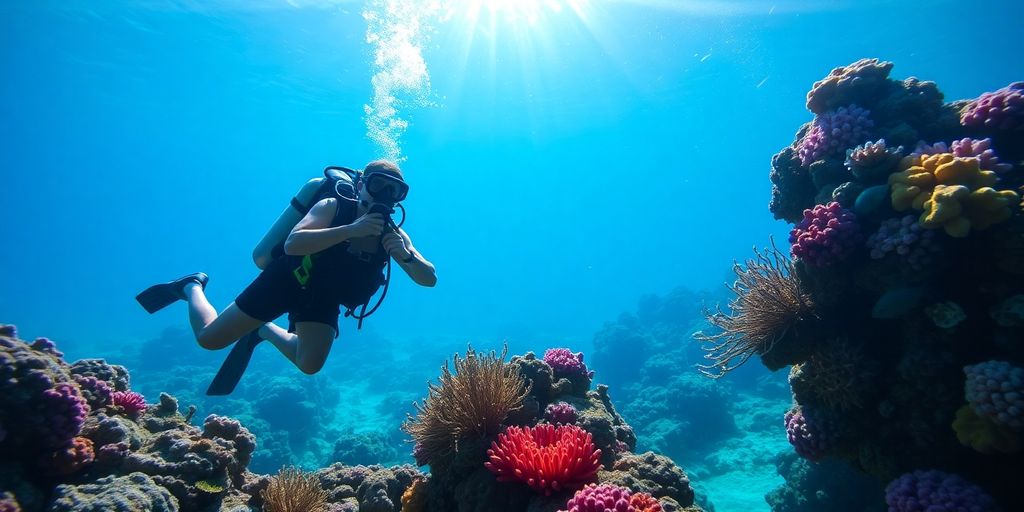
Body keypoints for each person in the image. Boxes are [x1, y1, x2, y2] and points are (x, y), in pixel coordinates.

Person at [136, 160, 436, 393]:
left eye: (393, 189)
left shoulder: (394, 235)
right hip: (285, 282)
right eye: (377, 184)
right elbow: (293, 243)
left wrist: (406, 257)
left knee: (309, 365)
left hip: (323, 298)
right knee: (209, 339)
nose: (384, 194)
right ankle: (191, 285)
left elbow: (429, 278)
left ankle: (262, 330)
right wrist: (350, 230)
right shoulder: (332, 206)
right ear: (360, 185)